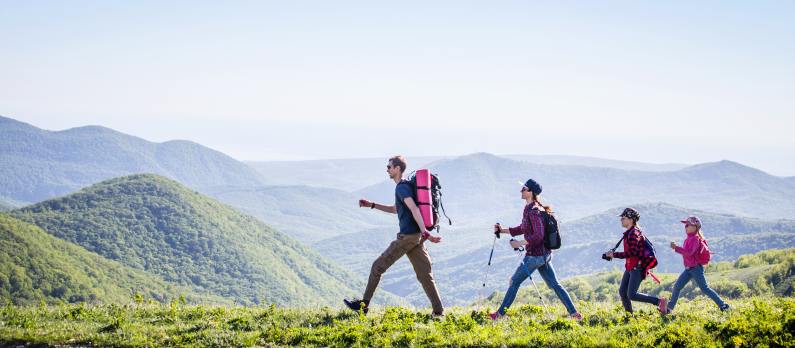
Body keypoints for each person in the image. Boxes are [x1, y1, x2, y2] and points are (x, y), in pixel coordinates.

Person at [343, 156, 444, 316]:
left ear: (398, 169)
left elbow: (414, 209)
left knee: (377, 266)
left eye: (389, 167)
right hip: (416, 238)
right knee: (425, 275)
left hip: (408, 237)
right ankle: (438, 312)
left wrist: (426, 233)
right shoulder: (406, 186)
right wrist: (372, 205)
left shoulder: (401, 188)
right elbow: (395, 209)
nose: (387, 169)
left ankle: (364, 306)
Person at [489, 179, 583, 320]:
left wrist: (519, 243)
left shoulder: (533, 211)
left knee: (514, 282)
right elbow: (524, 228)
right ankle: (575, 314)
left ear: (531, 193)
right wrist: (503, 230)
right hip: (545, 254)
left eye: (524, 189)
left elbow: (539, 235)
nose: (521, 191)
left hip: (535, 256)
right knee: (555, 285)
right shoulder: (532, 208)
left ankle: (499, 315)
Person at [604, 207, 666, 315]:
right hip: (630, 267)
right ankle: (629, 316)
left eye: (623, 218)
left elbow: (632, 252)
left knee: (632, 295)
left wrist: (614, 254)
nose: (621, 220)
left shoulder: (633, 234)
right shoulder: (630, 233)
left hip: (637, 267)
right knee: (623, 292)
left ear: (631, 220)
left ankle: (659, 302)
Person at [663, 215, 730, 313]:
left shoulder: (695, 239)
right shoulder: (689, 238)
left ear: (694, 228)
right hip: (688, 269)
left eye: (687, 225)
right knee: (677, 287)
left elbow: (689, 252)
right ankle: (669, 309)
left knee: (705, 289)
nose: (685, 227)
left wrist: (676, 248)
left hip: (695, 269)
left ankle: (724, 306)